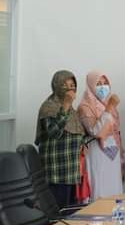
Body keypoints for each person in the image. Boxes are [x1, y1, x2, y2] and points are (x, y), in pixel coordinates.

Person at [35, 70, 87, 209]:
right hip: (57, 174)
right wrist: (65, 105)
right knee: (58, 213)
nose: (69, 89)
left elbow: (77, 132)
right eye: (65, 85)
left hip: (71, 173)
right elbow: (54, 132)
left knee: (69, 212)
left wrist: (83, 144)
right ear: (56, 85)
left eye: (72, 85)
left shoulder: (72, 110)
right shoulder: (49, 107)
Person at [78, 70, 125, 201]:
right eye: (98, 84)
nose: (103, 87)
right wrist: (110, 107)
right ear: (91, 86)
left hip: (113, 154)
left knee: (114, 191)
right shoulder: (84, 107)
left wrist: (122, 164)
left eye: (105, 83)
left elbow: (117, 134)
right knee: (99, 190)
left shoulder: (110, 106)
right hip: (97, 153)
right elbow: (96, 132)